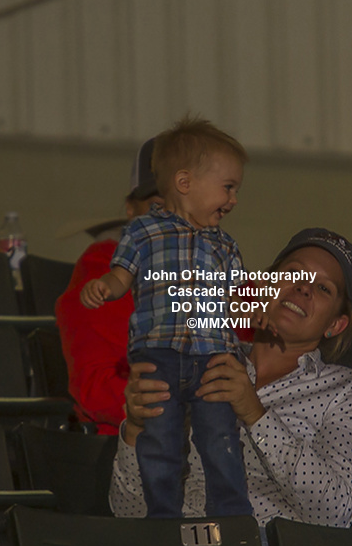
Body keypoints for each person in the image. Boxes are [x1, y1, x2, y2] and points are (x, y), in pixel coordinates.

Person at [109, 227, 352, 529]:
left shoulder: (348, 390)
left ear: (335, 325)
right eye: (294, 273)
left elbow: (336, 511)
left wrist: (255, 414)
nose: (304, 288)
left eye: (323, 288)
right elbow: (130, 512)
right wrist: (137, 430)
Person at [81, 117, 256, 518]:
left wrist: (255, 308)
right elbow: (121, 275)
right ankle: (162, 515)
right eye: (228, 187)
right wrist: (105, 286)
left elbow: (239, 299)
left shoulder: (225, 245)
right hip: (158, 352)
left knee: (220, 436)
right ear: (185, 182)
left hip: (211, 353)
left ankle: (231, 514)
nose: (233, 200)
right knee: (160, 437)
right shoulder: (143, 233)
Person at [55, 138, 162, 434]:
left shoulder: (219, 265)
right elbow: (98, 389)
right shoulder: (104, 265)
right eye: (158, 205)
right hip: (135, 445)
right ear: (130, 208)